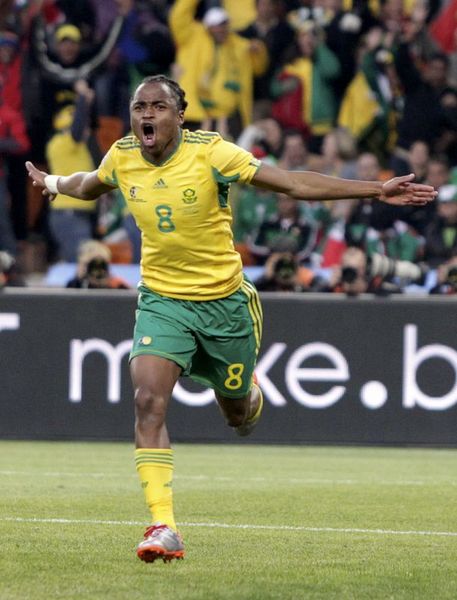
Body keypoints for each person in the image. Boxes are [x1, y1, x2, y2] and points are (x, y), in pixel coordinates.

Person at [25, 74, 436, 565]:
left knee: (237, 416)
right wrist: (53, 183)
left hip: (224, 304)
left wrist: (374, 190)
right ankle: (163, 525)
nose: (146, 114)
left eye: (158, 106)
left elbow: (294, 183)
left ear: (180, 117)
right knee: (147, 400)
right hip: (162, 300)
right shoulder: (123, 154)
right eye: (139, 107)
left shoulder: (212, 153)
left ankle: (248, 392)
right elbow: (89, 184)